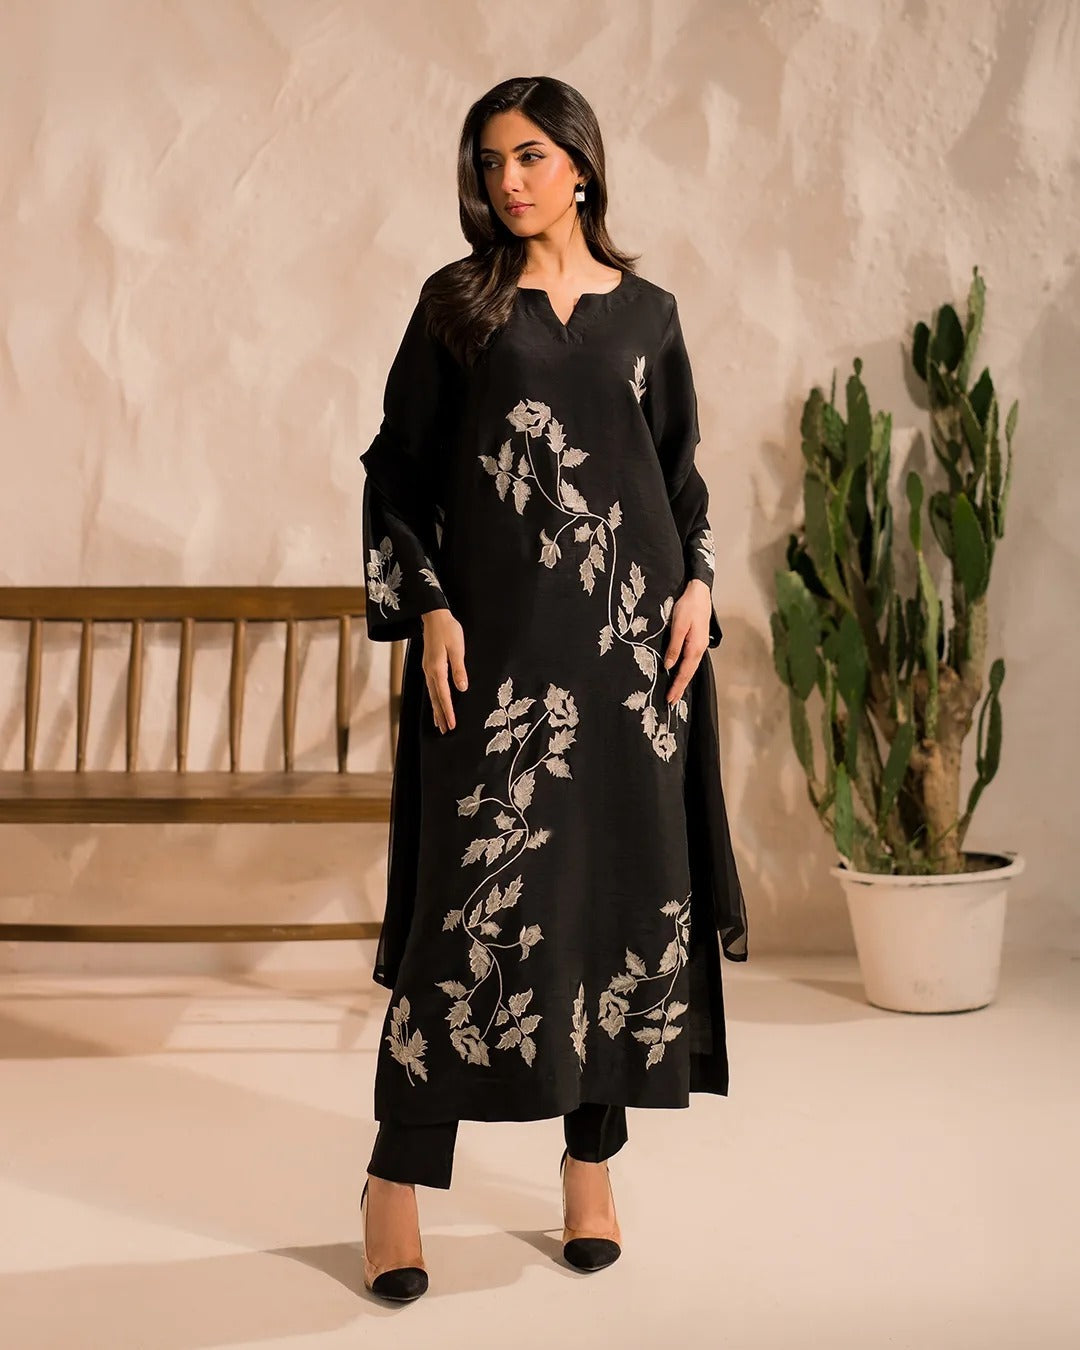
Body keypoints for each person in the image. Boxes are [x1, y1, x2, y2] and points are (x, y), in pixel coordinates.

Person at [357, 75, 748, 1302]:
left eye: (530, 156)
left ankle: (591, 1169)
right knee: (465, 917)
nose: (509, 180)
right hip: (501, 667)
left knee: (612, 907)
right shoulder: (459, 307)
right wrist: (427, 604)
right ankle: (394, 1179)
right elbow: (397, 472)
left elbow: (678, 479)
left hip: (634, 669)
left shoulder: (649, 314)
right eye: (491, 162)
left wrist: (700, 585)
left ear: (581, 163)